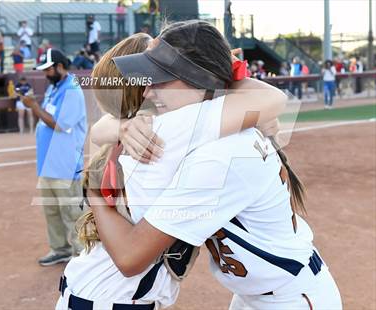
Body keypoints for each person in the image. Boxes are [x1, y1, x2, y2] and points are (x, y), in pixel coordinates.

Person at [88, 20, 341, 309]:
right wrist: (120, 126)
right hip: (261, 292)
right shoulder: (215, 124)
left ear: (197, 82)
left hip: (290, 298)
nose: (146, 92)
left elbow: (131, 256)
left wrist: (92, 189)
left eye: (159, 78)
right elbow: (108, 123)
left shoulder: (217, 150)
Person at [55, 26, 288, 310]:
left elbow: (100, 129)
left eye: (157, 75)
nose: (151, 87)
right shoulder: (164, 131)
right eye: (149, 77)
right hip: (111, 298)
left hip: (93, 288)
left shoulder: (131, 130)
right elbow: (273, 100)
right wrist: (224, 71)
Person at [21, 48, 87, 266]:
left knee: (71, 211)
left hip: (65, 164)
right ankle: (60, 249)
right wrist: (35, 104)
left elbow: (59, 125)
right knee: (52, 211)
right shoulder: (55, 87)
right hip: (48, 164)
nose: (45, 74)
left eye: (48, 69)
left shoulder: (72, 90)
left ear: (60, 66)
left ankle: (82, 255)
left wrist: (34, 106)